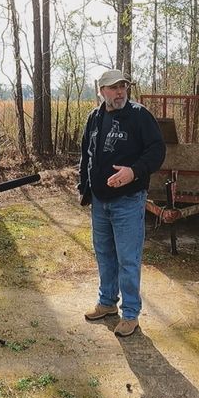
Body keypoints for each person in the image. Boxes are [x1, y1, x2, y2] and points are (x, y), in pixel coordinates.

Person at [77, 70, 165, 337]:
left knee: (128, 258)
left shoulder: (139, 116)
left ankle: (130, 314)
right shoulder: (94, 118)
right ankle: (107, 303)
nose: (119, 92)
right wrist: (85, 187)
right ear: (101, 91)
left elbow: (157, 151)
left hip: (128, 200)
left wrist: (133, 172)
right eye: (113, 88)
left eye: (123, 87)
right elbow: (86, 154)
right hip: (100, 201)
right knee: (104, 254)